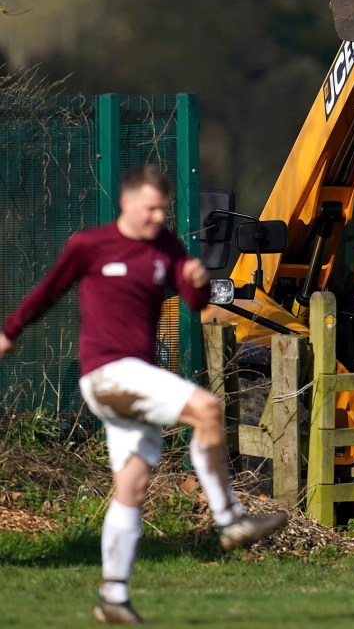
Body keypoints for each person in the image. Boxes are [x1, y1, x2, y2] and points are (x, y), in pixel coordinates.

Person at [0, 165, 287, 625]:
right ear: (127, 203)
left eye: (163, 210)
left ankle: (113, 595)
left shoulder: (167, 247)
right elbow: (47, 293)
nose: (157, 217)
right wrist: (9, 334)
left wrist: (193, 283)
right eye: (150, 208)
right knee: (207, 408)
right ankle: (230, 518)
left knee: (131, 487)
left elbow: (193, 307)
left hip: (136, 379)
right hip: (107, 375)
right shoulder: (88, 246)